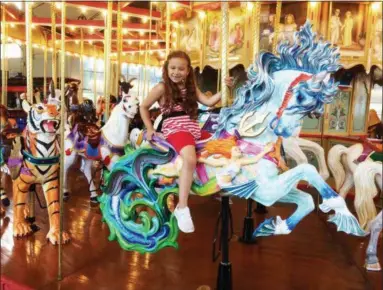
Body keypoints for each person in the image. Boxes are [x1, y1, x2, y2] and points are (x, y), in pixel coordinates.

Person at [140, 50, 233, 233]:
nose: (176, 72)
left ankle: (217, 185)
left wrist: (225, 89)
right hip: (175, 128)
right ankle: (182, 207)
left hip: (193, 128)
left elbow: (208, 102)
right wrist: (150, 128)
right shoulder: (161, 88)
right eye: (172, 68)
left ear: (188, 70)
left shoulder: (191, 88)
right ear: (166, 68)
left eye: (181, 69)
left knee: (222, 145)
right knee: (190, 159)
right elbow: (143, 106)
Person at [198, 137, 274, 187]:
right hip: (219, 183)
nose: (239, 151)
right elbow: (213, 163)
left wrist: (265, 151)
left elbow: (255, 159)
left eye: (239, 150)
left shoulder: (240, 162)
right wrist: (200, 159)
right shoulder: (225, 161)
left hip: (229, 184)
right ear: (229, 152)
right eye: (236, 150)